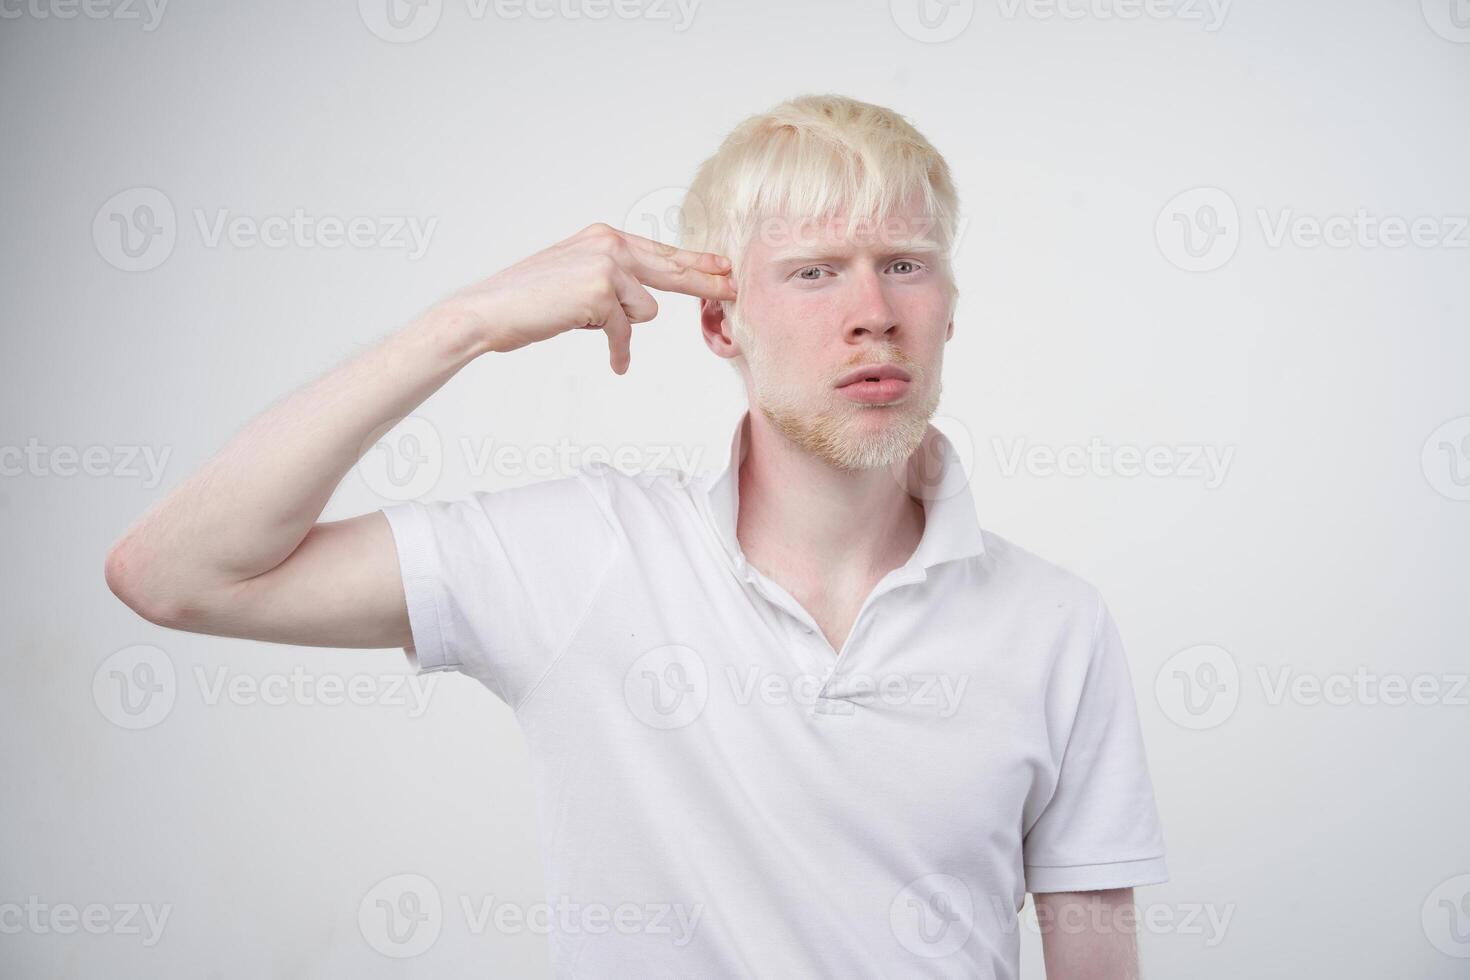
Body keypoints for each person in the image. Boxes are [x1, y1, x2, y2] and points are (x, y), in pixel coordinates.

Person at [105, 93, 1167, 978]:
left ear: (947, 307)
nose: (871, 310)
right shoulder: (588, 553)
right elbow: (175, 574)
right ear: (720, 320)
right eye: (811, 270)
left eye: (904, 262)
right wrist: (462, 324)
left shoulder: (1054, 624)